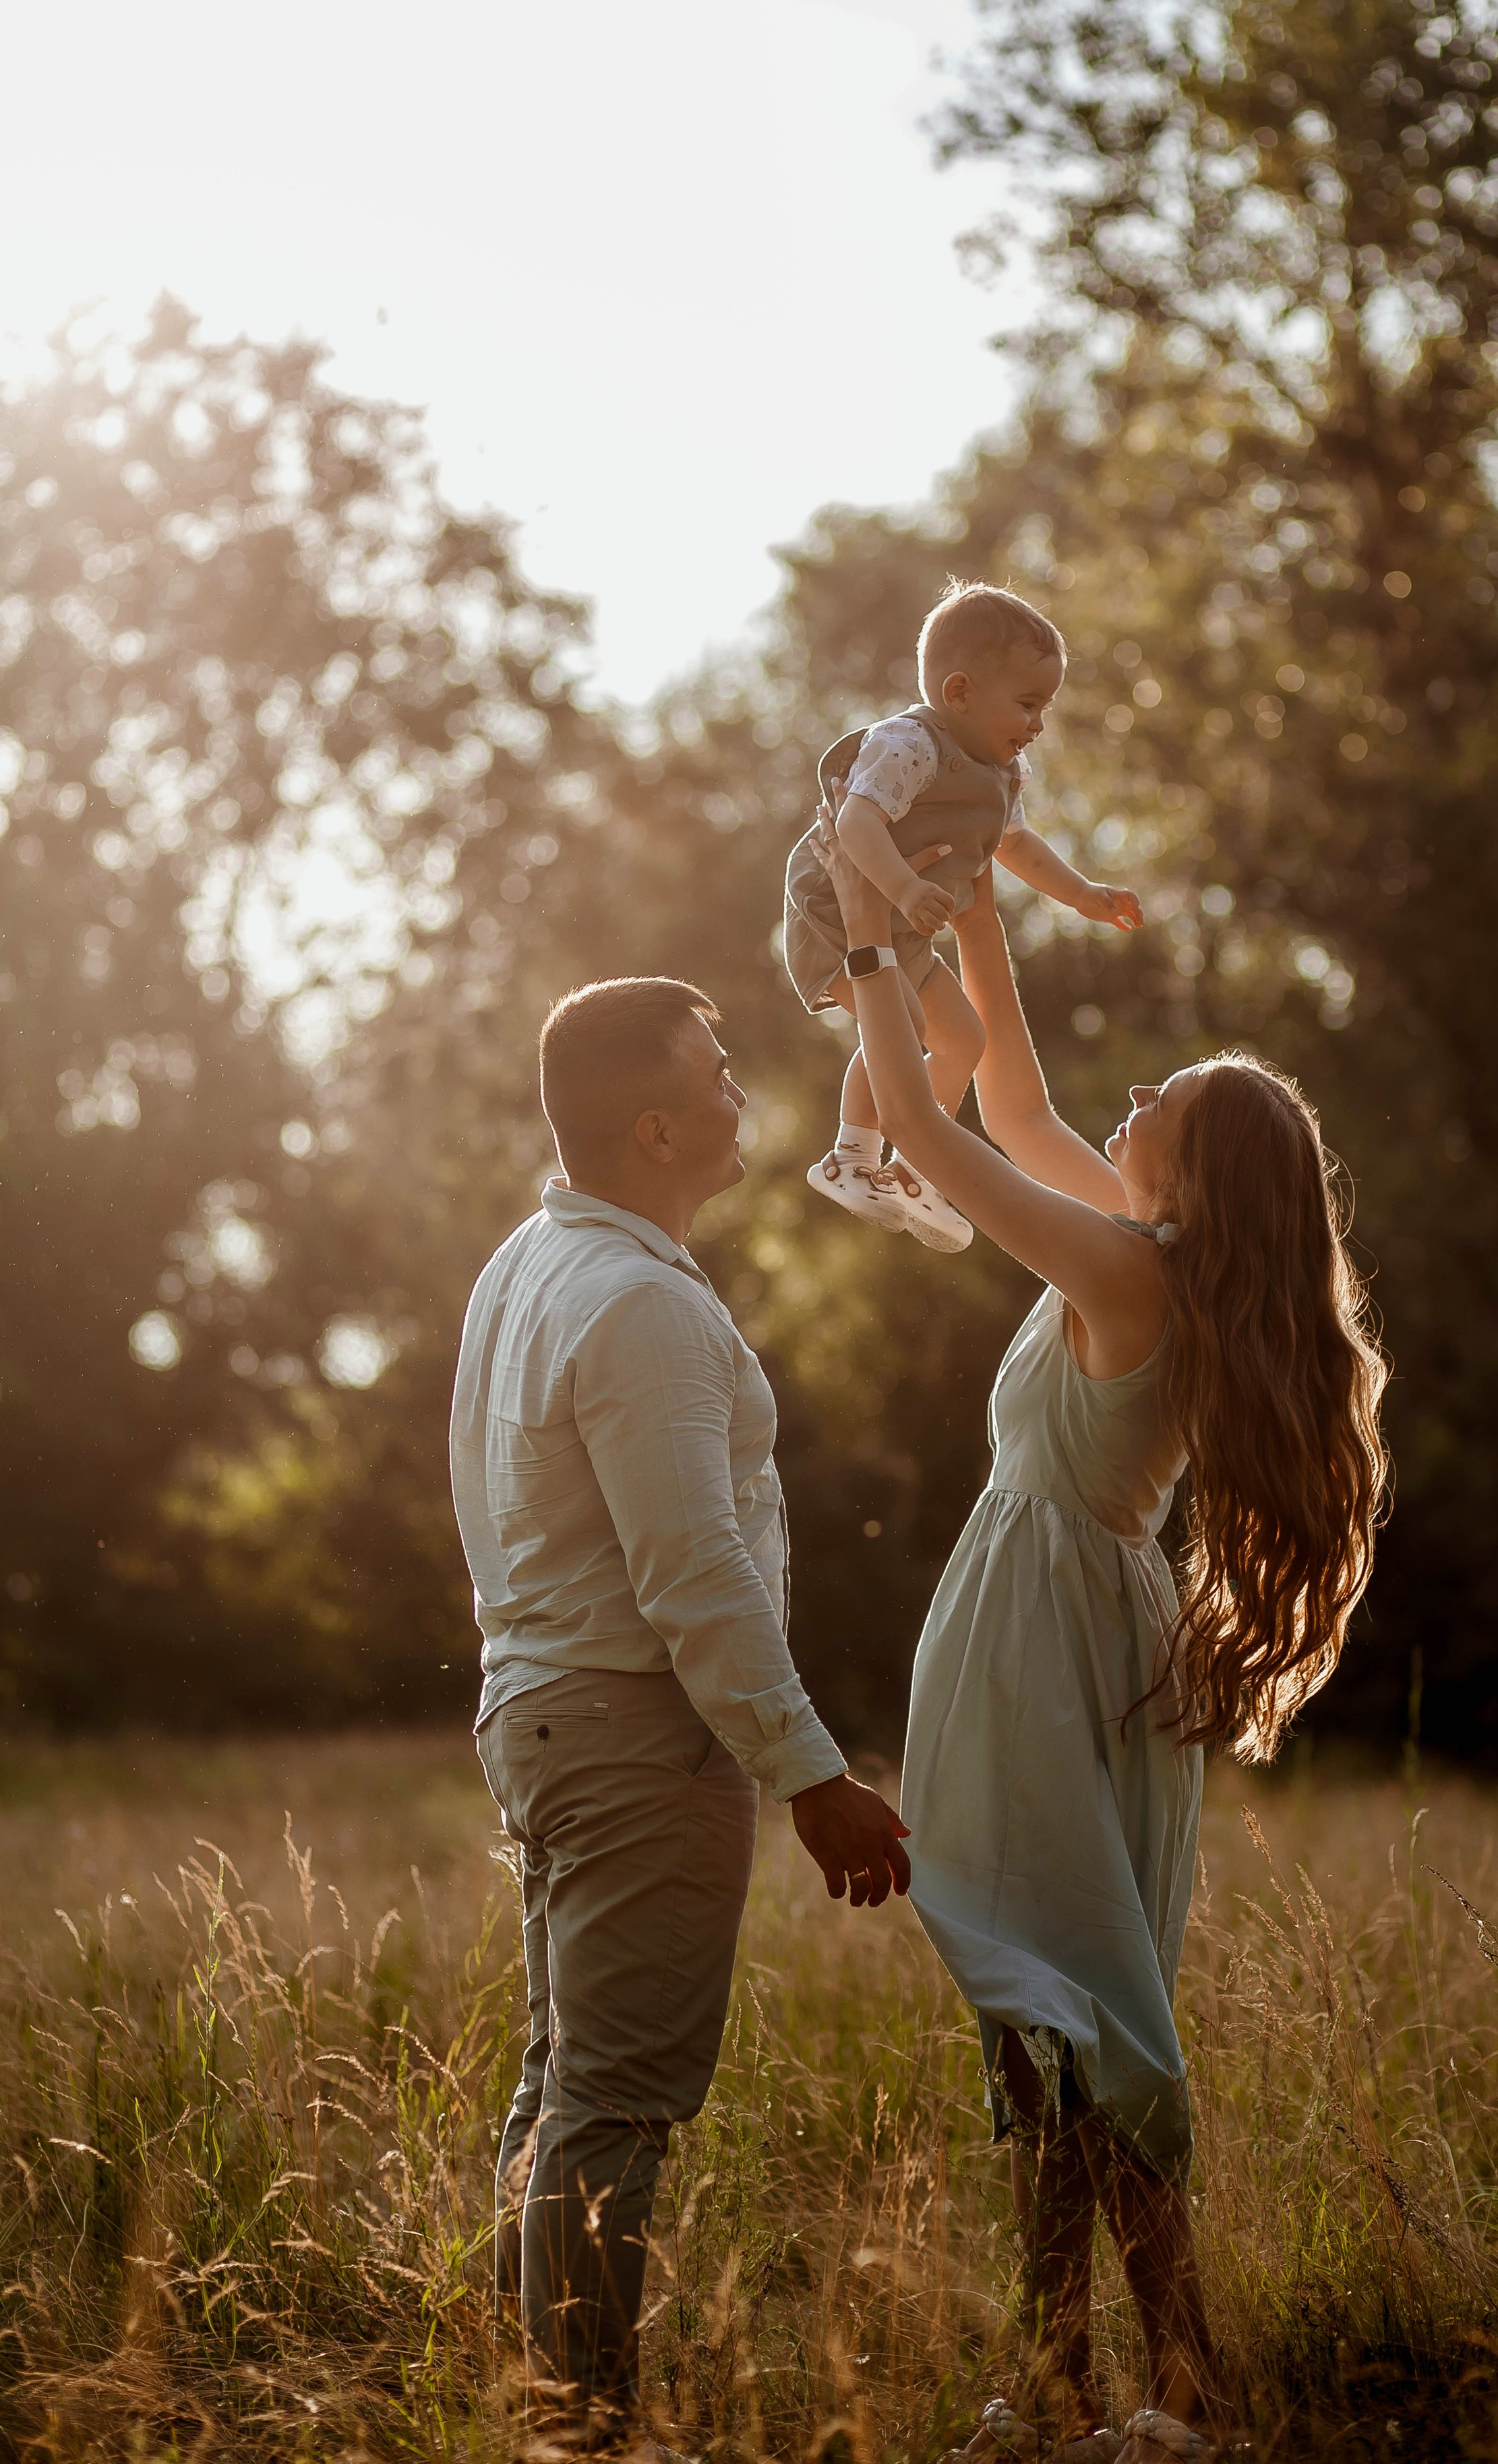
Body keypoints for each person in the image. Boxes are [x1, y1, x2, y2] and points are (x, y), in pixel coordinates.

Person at [814, 824, 1388, 2457]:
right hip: (1086, 1624)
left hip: (1042, 1634)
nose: (1123, 1111)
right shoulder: (1158, 1263)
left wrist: (869, 944)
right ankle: (1068, 2375)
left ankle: (1170, 2379)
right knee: (1053, 2013)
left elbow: (927, 1119)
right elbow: (1017, 1108)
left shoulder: (1126, 1272)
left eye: (1162, 1108)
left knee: (1065, 2011)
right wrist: (977, 906)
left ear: (1192, 1181)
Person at [449, 975, 911, 2448]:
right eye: (714, 1075)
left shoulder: (529, 1259)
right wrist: (810, 1774)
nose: (740, 1092)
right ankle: (583, 2426)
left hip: (540, 1708)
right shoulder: (637, 1303)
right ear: (654, 1128)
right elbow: (694, 1578)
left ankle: (538, 2403)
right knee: (616, 2102)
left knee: (563, 2075)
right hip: (630, 1733)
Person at [782, 581, 1142, 1254]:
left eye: (1046, 707)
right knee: (911, 1027)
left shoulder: (1002, 774)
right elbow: (854, 821)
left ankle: (915, 1171)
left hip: (904, 924)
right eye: (1028, 704)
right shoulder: (908, 745)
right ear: (958, 693)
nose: (1038, 723)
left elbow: (1017, 845)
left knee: (964, 1039)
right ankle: (849, 1156)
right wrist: (899, 886)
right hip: (839, 911)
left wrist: (1082, 894)